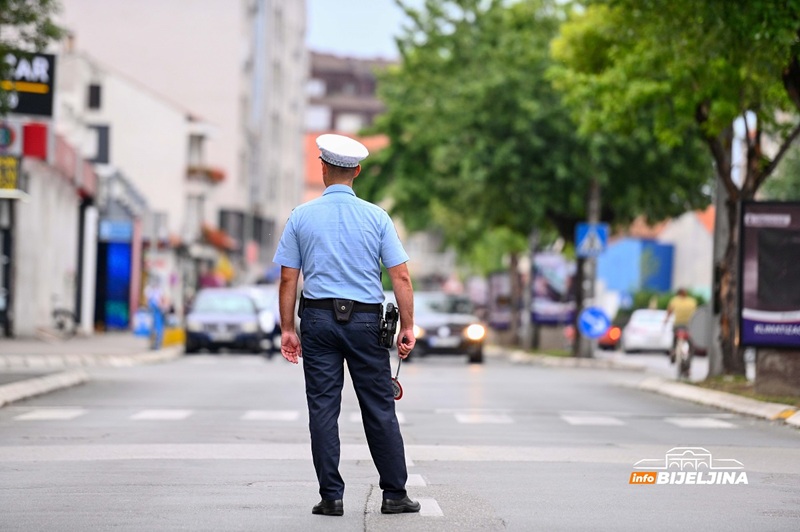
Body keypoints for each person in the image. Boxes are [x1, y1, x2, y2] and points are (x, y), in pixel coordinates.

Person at [273, 133, 419, 517]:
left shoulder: (301, 216)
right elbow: (400, 277)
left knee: (323, 408)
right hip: (367, 321)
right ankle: (394, 494)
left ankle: (331, 496)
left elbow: (289, 278)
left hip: (318, 319)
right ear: (357, 171)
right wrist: (408, 326)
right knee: (378, 407)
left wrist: (288, 329)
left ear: (323, 168)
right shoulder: (377, 217)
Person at [664, 288, 698, 361]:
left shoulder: (674, 300)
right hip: (689, 325)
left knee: (674, 339)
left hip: (678, 324)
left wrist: (666, 320)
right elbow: (696, 313)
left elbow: (669, 312)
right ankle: (687, 364)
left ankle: (673, 351)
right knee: (691, 345)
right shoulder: (692, 301)